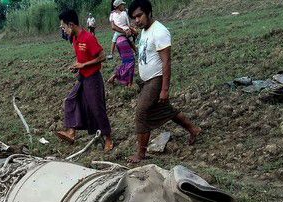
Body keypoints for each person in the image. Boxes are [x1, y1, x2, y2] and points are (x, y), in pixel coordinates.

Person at [128, 0, 201, 163]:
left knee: (141, 113)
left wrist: (164, 89)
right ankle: (193, 129)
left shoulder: (159, 32)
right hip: (147, 80)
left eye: (139, 16)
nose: (137, 20)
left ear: (149, 13)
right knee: (165, 110)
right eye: (134, 18)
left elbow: (166, 62)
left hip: (156, 79)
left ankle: (141, 154)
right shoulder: (145, 31)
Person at [57, 9, 114, 152]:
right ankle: (71, 132)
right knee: (71, 100)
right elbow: (83, 57)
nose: (63, 31)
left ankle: (108, 138)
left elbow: (102, 56)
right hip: (82, 77)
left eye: (64, 27)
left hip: (93, 78)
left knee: (97, 108)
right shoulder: (75, 39)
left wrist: (84, 65)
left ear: (71, 25)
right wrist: (77, 66)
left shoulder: (88, 37)